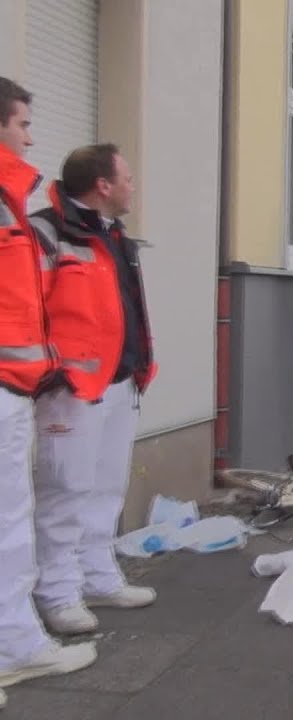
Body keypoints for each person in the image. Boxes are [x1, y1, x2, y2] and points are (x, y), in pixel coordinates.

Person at [26, 144, 160, 639]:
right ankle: (57, 593)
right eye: (126, 177)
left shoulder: (115, 235)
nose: (132, 186)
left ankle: (97, 576)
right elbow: (26, 307)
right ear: (102, 185)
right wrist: (49, 371)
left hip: (120, 381)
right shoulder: (46, 232)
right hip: (70, 389)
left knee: (106, 489)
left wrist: (139, 365)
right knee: (65, 490)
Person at [0, 75, 95, 706]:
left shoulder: (12, 201)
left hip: (13, 382)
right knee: (9, 520)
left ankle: (16, 641)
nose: (31, 136)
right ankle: (16, 646)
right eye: (23, 124)